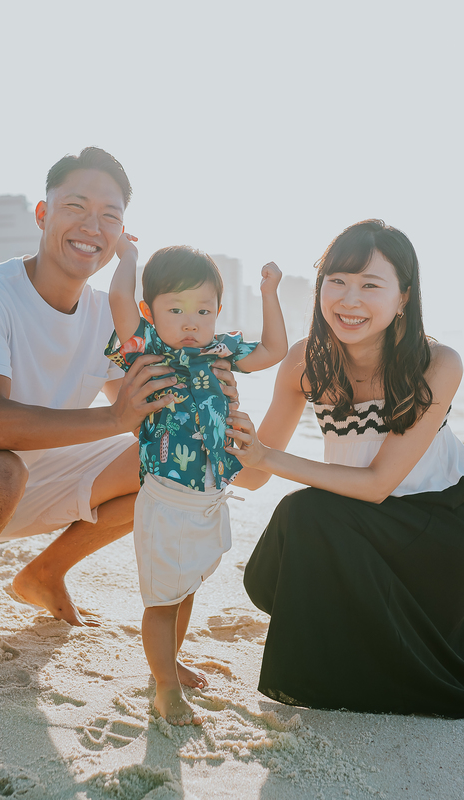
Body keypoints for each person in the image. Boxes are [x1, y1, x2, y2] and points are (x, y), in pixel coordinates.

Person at [0, 147, 240, 648]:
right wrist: (117, 415)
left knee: (167, 463)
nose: (93, 225)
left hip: (34, 480)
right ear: (43, 214)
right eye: (76, 207)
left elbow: (150, 415)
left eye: (109, 215)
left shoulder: (102, 316)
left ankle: (43, 574)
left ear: (121, 235)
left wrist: (213, 402)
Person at [226, 220, 464, 717]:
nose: (349, 299)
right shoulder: (305, 361)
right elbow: (255, 473)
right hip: (364, 524)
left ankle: (337, 678)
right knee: (271, 570)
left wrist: (268, 457)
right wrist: (218, 432)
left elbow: (377, 484)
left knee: (306, 514)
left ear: (403, 297)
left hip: (442, 527)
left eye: (370, 285)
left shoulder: (437, 362)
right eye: (337, 281)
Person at [105, 242, 287, 724]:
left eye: (203, 310)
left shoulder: (219, 350)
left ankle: (172, 662)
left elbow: (274, 350)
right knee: (162, 600)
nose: (191, 322)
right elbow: (119, 302)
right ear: (151, 312)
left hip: (209, 497)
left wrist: (269, 291)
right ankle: (164, 685)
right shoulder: (151, 349)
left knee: (186, 590)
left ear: (218, 312)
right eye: (176, 308)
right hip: (166, 500)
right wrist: (127, 259)